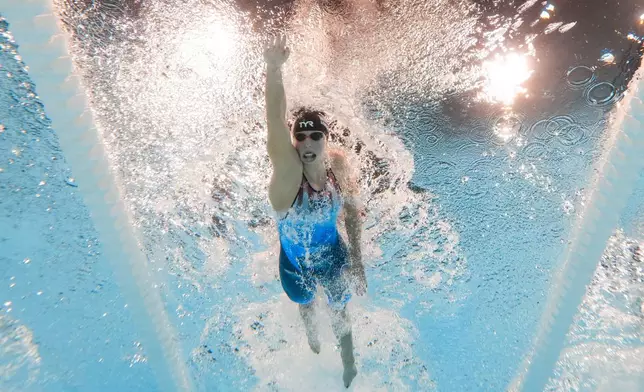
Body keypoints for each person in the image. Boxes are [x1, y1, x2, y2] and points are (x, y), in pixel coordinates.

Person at [263, 35, 368, 388]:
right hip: (294, 264)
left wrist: (357, 258)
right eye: (300, 137)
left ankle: (349, 366)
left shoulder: (338, 165)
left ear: (326, 140)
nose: (307, 143)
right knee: (306, 303)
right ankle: (312, 342)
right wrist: (274, 70)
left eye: (314, 137)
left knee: (340, 303)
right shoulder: (288, 177)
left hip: (332, 251)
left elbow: (352, 210)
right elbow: (275, 125)